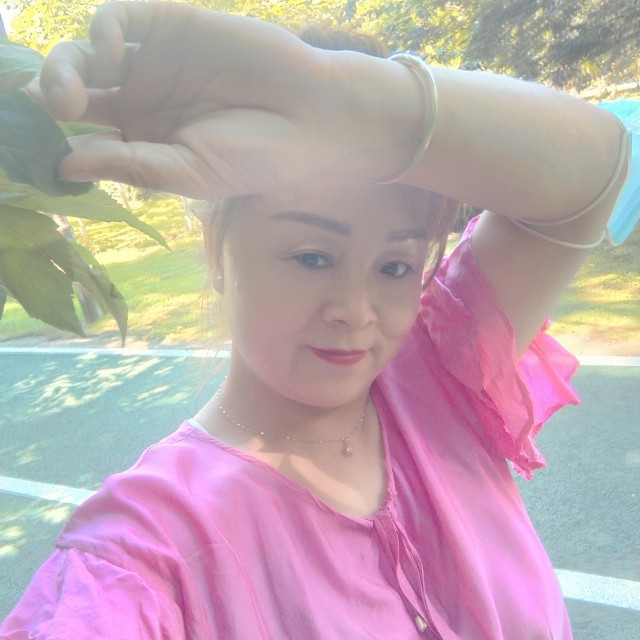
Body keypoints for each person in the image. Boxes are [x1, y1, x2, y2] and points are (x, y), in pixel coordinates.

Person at [1, 2, 633, 639]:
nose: (355, 312)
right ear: (217, 250)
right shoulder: (145, 553)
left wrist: (333, 98)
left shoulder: (442, 372)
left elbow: (594, 169)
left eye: (395, 266)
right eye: (311, 256)